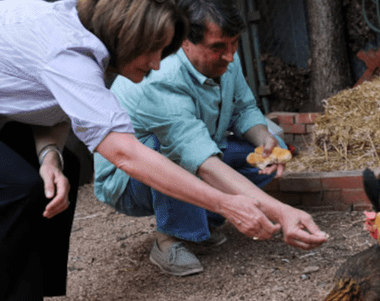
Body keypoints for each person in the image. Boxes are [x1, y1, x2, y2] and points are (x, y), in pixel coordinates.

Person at [0, 0, 326, 301]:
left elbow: (49, 107)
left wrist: (49, 157)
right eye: (154, 50)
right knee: (18, 186)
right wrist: (232, 205)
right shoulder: (69, 51)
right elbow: (127, 154)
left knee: (65, 168)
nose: (157, 63)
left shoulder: (82, 47)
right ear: (127, 35)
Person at [94, 0, 323, 276]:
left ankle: (204, 219)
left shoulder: (227, 56)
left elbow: (244, 109)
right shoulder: (162, 77)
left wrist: (264, 139)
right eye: (218, 47)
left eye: (234, 44)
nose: (230, 56)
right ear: (184, 43)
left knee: (274, 149)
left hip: (200, 147)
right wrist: (280, 211)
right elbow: (197, 156)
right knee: (171, 151)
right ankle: (170, 239)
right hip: (127, 181)